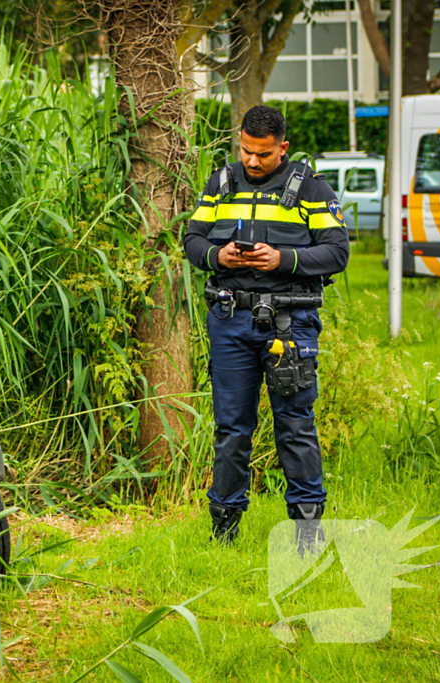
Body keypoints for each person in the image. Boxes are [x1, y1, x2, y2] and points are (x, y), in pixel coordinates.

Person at [182, 106, 349, 553]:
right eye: (246, 151)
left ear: (283, 148)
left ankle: (307, 536)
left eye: (263, 154)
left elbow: (337, 252)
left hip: (290, 323)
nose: (252, 162)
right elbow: (192, 241)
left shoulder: (311, 189)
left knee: (295, 426)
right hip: (230, 320)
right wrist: (219, 258)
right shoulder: (219, 184)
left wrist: (283, 259)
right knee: (232, 430)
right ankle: (224, 533)